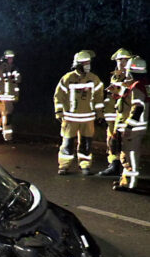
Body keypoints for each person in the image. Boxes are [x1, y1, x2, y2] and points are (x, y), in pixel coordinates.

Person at [53, 50, 104, 175]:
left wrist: (99, 114)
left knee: (86, 144)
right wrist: (59, 112)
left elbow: (98, 97)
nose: (88, 65)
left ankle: (85, 165)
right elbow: (58, 96)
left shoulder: (94, 79)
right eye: (85, 63)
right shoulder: (67, 78)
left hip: (88, 118)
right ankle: (64, 165)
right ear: (78, 64)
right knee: (67, 143)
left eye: (89, 62)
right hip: (70, 118)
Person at [113, 56, 148, 192]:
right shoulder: (143, 84)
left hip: (134, 128)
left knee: (131, 155)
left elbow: (138, 108)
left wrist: (129, 126)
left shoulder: (137, 87)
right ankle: (125, 181)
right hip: (139, 126)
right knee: (128, 154)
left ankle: (131, 184)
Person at [98, 48, 132, 176]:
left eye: (125, 60)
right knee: (112, 141)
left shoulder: (133, 76)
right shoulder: (115, 76)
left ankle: (128, 170)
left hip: (127, 115)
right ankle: (114, 165)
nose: (122, 63)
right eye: (120, 60)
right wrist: (106, 115)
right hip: (114, 115)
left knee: (127, 142)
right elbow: (111, 99)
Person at [0, 50, 21, 141]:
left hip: (11, 97)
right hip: (3, 97)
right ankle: (8, 137)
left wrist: (16, 95)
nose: (11, 59)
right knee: (7, 117)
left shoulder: (14, 69)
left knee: (6, 115)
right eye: (9, 57)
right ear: (5, 58)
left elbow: (18, 81)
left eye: (12, 57)